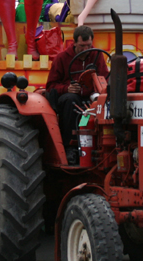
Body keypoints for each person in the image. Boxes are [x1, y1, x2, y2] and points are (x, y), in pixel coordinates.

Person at [45, 26, 109, 165]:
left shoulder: (97, 56)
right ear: (74, 43)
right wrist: (66, 88)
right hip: (69, 96)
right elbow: (50, 86)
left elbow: (105, 77)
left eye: (88, 45)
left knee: (104, 101)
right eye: (81, 46)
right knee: (71, 100)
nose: (85, 50)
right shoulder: (61, 59)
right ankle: (70, 147)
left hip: (92, 95)